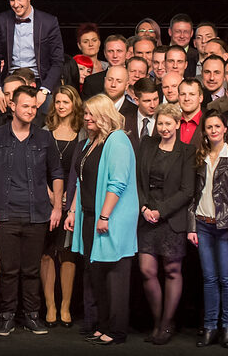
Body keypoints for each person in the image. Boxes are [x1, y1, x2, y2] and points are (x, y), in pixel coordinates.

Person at [0, 85, 64, 336]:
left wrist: (57, 207)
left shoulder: (44, 138)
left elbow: (57, 174)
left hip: (37, 213)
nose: (30, 110)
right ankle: (6, 317)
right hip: (5, 213)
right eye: (25, 105)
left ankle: (31, 315)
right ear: (13, 106)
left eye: (33, 106)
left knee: (30, 270)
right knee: (8, 269)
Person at [67, 94, 139, 345]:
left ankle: (117, 330)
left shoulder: (117, 139)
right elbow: (80, 180)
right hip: (89, 216)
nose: (86, 118)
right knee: (96, 273)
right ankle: (103, 324)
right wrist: (73, 211)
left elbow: (117, 182)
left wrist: (105, 214)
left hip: (111, 218)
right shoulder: (91, 141)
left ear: (104, 114)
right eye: (85, 113)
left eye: (91, 114)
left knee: (114, 275)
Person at [134, 103, 195, 344]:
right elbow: (137, 180)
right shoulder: (147, 145)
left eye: (169, 123)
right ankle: (158, 321)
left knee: (172, 271)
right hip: (147, 216)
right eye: (160, 123)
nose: (164, 128)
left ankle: (167, 324)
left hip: (171, 218)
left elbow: (187, 190)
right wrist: (144, 207)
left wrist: (161, 211)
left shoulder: (187, 151)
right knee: (147, 270)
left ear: (178, 124)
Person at [189, 112, 228, 347]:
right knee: (209, 279)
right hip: (202, 224)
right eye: (209, 127)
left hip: (225, 227)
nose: (213, 130)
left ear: (225, 129)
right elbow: (194, 195)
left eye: (217, 126)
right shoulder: (199, 156)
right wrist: (191, 226)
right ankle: (210, 327)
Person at [0, 0, 64, 110]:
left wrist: (44, 90)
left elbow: (58, 60)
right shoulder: (2, 20)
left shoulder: (49, 22)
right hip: (10, 80)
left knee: (48, 111)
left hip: (40, 82)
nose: (15, 5)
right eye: (12, 0)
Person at [42, 85, 83, 328]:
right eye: (57, 101)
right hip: (45, 200)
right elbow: (37, 170)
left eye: (66, 101)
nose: (61, 105)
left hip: (73, 201)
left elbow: (82, 171)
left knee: (68, 253)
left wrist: (71, 198)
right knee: (46, 254)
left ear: (74, 104)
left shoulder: (82, 134)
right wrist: (51, 195)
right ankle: (50, 306)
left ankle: (66, 306)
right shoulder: (44, 132)